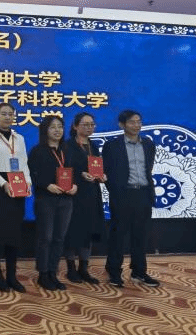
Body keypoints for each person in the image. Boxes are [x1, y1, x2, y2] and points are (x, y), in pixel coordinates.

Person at [102, 109, 160, 288]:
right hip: (123, 195)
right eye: (132, 122)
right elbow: (107, 172)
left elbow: (148, 169)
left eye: (138, 122)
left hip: (143, 194)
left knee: (140, 236)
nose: (136, 125)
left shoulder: (148, 144)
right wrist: (115, 191)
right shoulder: (112, 146)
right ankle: (114, 271)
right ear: (122, 125)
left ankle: (139, 272)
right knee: (118, 235)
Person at [0, 103, 32, 293]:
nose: (8, 117)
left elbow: (24, 163)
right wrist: (3, 183)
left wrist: (27, 182)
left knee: (14, 235)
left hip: (17, 186)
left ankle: (12, 276)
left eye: (11, 114)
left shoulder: (20, 138)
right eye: (3, 114)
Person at [28, 115, 77, 291]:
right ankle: (43, 274)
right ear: (45, 130)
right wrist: (46, 185)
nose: (57, 130)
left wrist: (75, 185)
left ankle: (52, 272)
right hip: (46, 199)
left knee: (59, 238)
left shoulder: (67, 150)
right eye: (53, 127)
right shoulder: (37, 151)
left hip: (66, 199)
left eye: (60, 127)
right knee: (46, 238)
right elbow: (31, 175)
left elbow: (74, 172)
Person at [64, 112, 106, 284]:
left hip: (91, 193)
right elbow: (64, 170)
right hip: (74, 194)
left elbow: (97, 167)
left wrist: (102, 176)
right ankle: (71, 268)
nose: (89, 128)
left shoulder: (93, 146)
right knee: (72, 231)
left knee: (88, 230)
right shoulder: (67, 146)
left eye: (92, 124)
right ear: (75, 126)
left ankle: (84, 268)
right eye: (85, 124)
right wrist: (79, 175)